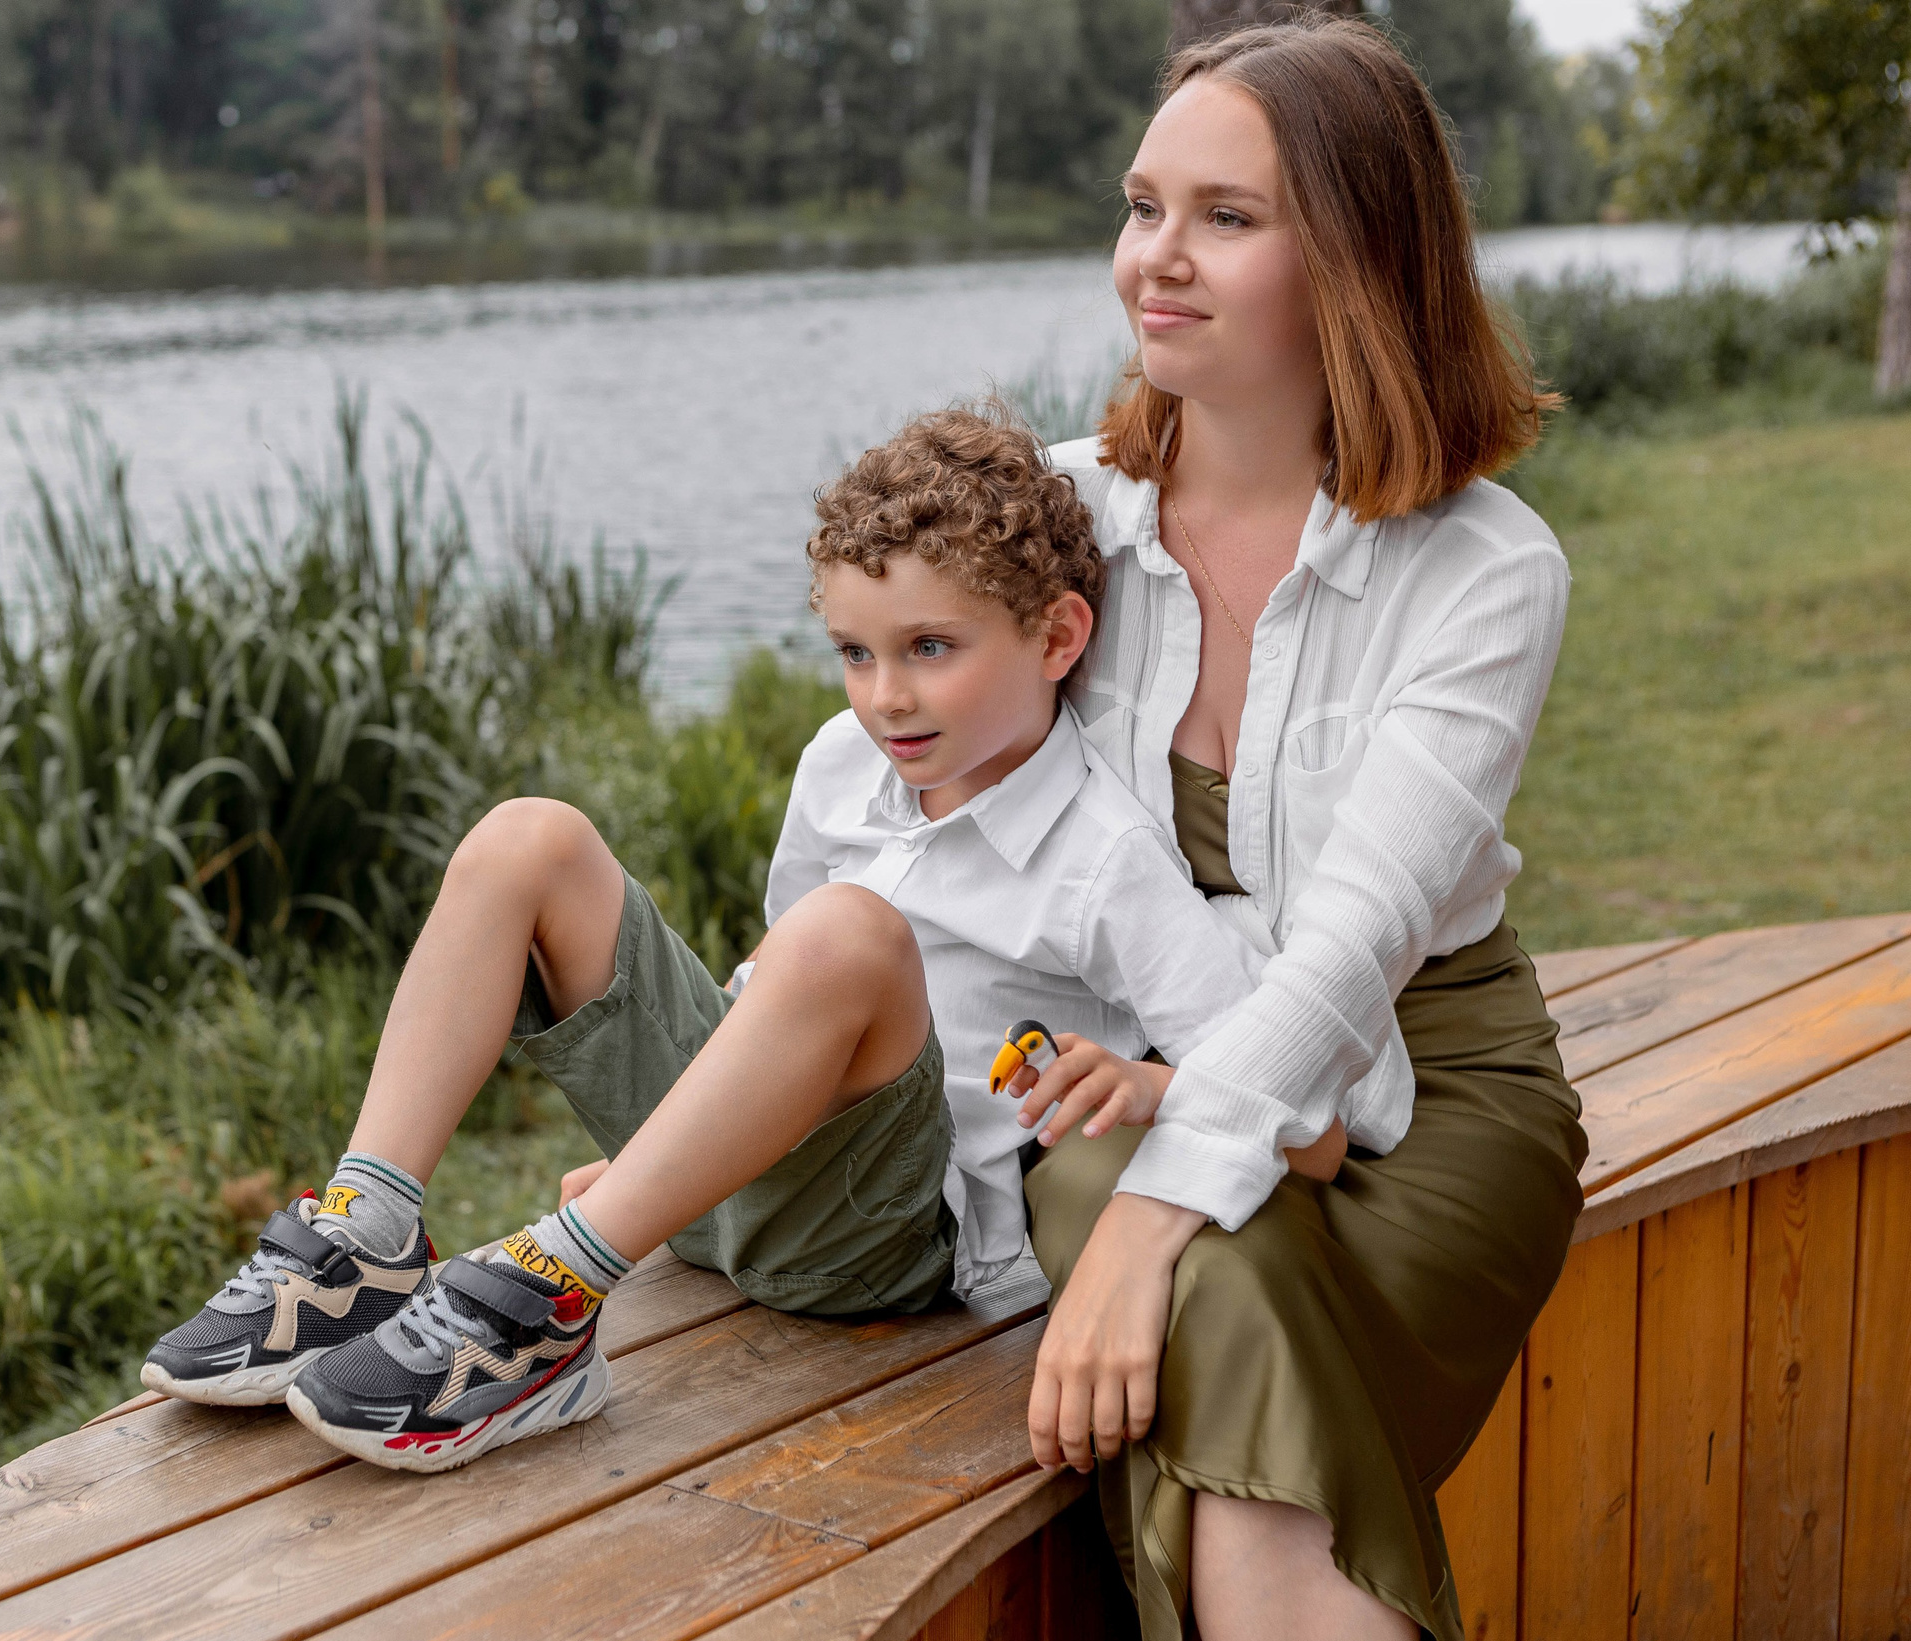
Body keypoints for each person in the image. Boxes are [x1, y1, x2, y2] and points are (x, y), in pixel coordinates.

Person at [138, 400, 1403, 1476]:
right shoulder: (841, 765)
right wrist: (673, 1159)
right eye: (853, 651)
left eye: (930, 650)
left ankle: (550, 1309)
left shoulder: (1102, 859)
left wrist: (1145, 1085)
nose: (883, 696)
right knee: (530, 839)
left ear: (1057, 636)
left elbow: (1311, 1127)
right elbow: (764, 988)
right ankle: (366, 1236)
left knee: (847, 935)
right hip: (728, 1179)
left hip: (874, 1236)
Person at [1019, 17, 1586, 1641]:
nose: (1154, 262)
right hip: (1141, 1085)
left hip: (1431, 1099)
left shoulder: (1484, 569)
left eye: (1224, 217)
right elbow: (898, 790)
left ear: (1359, 256)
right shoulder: (1063, 515)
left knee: (1170, 1242)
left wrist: (1135, 1240)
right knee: (1164, 1213)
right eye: (1141, 205)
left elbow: (1348, 957)